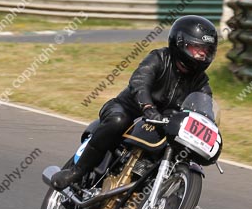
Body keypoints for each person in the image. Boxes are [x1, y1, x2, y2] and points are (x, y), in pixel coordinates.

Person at [51, 16, 219, 190]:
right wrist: (148, 107)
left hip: (161, 123)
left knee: (179, 151)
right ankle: (76, 171)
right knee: (118, 121)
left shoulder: (201, 82)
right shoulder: (159, 58)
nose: (202, 54)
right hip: (129, 109)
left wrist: (209, 134)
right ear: (180, 43)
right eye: (197, 47)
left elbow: (204, 111)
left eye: (206, 50)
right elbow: (140, 81)